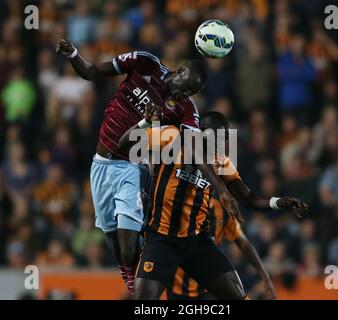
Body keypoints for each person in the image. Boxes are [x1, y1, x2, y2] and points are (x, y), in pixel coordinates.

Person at [56, 39, 240, 295]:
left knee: (130, 248)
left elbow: (196, 149)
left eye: (191, 93)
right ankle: (142, 276)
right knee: (120, 251)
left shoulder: (186, 110)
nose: (185, 95)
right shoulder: (145, 63)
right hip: (100, 165)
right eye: (186, 88)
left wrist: (221, 189)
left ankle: (157, 265)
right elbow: (93, 71)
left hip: (133, 167)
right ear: (179, 71)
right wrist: (74, 54)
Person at [118, 110, 308, 299]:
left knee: (238, 296)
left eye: (224, 139)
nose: (220, 144)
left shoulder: (220, 161)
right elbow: (124, 143)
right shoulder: (171, 138)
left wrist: (279, 202)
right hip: (162, 239)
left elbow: (249, 198)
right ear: (201, 131)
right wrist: (145, 122)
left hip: (197, 241)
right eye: (217, 137)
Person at [168, 191, 277, 300]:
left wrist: (265, 276)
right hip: (177, 287)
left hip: (209, 288)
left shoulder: (223, 210)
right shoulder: (181, 206)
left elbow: (244, 244)